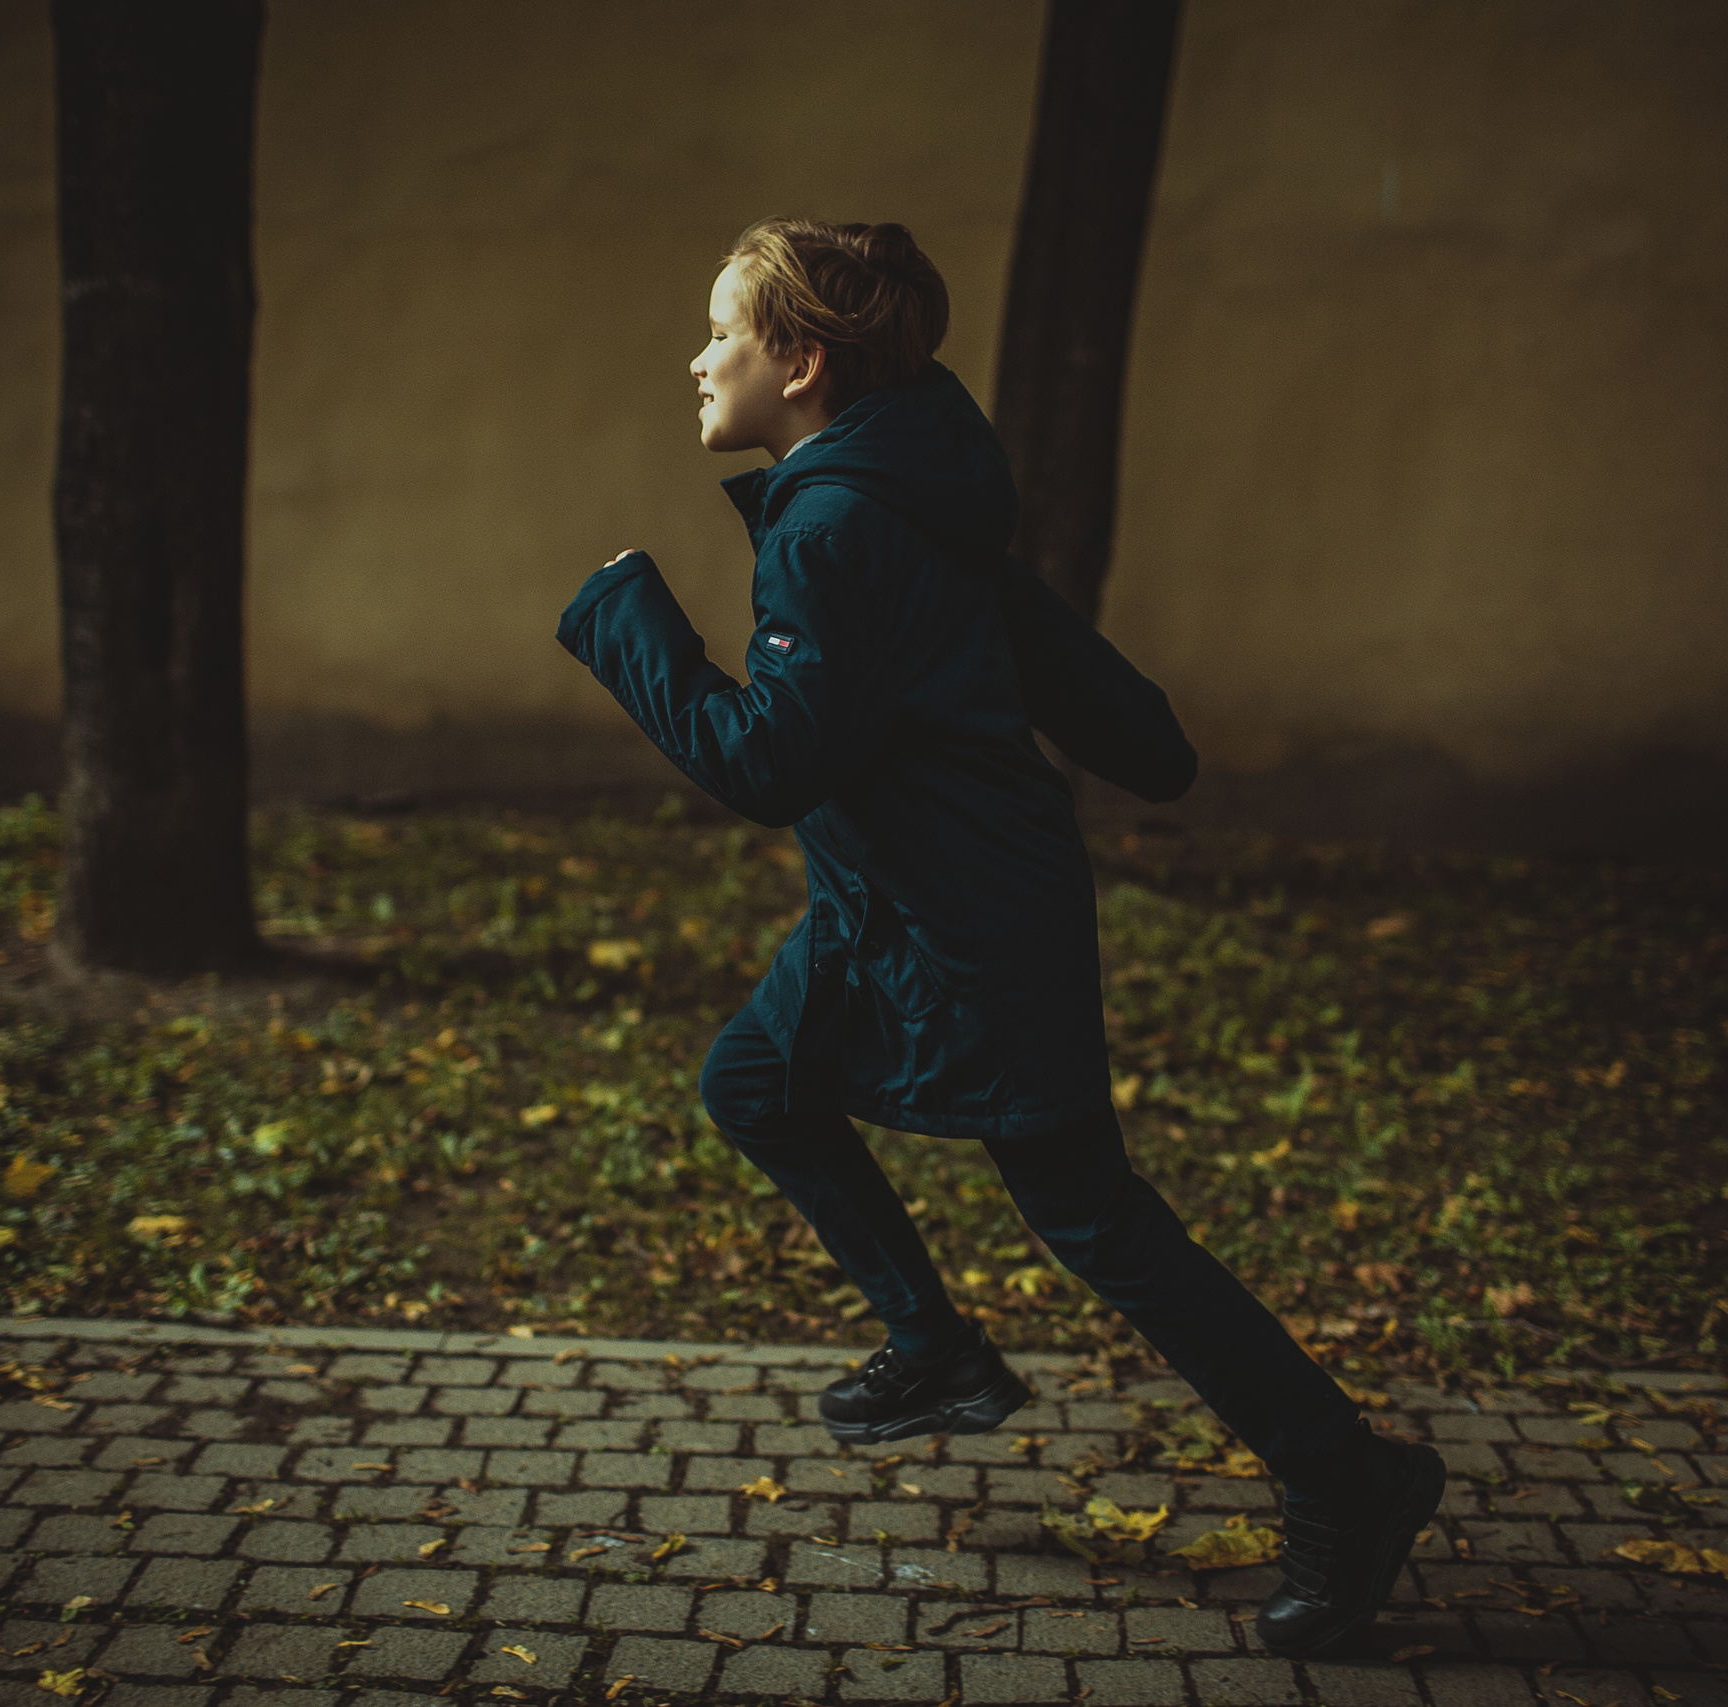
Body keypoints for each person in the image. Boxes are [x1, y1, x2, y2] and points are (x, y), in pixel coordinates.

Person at [555, 217, 1443, 1657]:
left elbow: (769, 764)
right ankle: (940, 1352)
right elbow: (1065, 683)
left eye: (721, 329)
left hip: (970, 922)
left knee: (1093, 1216)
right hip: (890, 906)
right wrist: (1137, 737)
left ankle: (1349, 1476)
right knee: (753, 1083)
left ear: (801, 358)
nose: (697, 355)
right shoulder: (907, 489)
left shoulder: (840, 523)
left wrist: (623, 616)